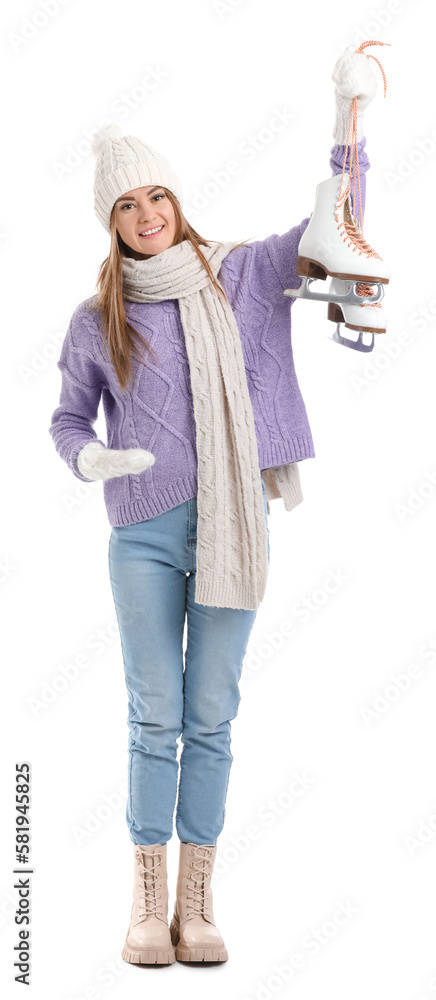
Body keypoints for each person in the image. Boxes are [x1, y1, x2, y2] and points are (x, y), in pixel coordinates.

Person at [48, 44, 380, 966]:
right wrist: (92, 460)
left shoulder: (238, 275)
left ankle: (200, 902)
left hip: (236, 520)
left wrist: (351, 124)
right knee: (154, 711)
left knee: (212, 711)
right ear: (110, 221)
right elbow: (67, 420)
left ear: (176, 200)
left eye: (156, 197)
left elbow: (335, 228)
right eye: (127, 205)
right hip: (143, 534)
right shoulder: (96, 317)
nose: (147, 215)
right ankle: (146, 904)